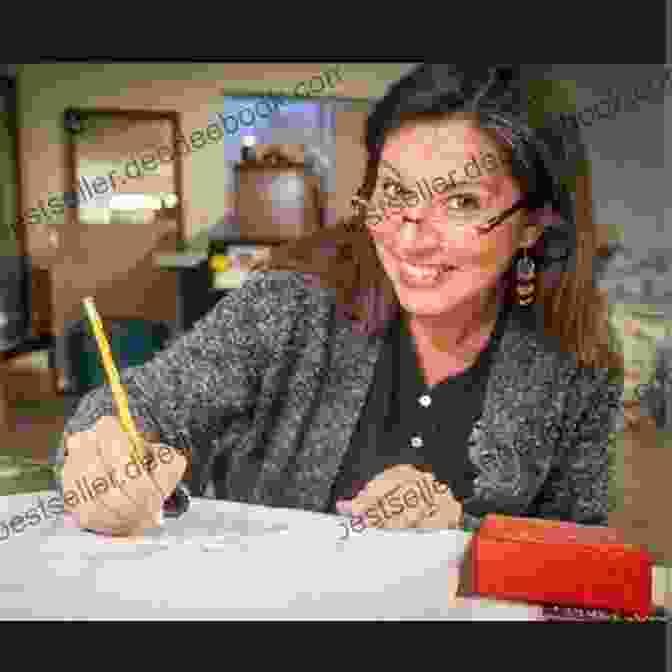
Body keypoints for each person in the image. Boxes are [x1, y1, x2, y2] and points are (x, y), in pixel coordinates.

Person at [54, 64, 623, 537]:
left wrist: (464, 530)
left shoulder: (577, 357)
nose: (407, 238)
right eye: (395, 193)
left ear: (533, 225)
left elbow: (579, 545)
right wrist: (103, 450)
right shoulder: (291, 306)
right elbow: (146, 402)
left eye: (463, 202)